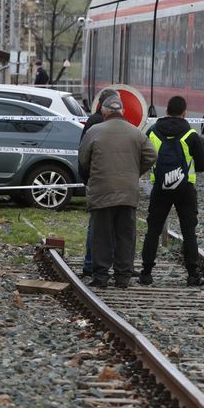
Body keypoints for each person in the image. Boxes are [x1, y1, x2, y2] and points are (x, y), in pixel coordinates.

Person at [78, 95, 156, 288]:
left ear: (104, 111)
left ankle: (101, 277)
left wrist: (95, 172)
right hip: (128, 192)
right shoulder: (135, 133)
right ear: (122, 111)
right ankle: (122, 278)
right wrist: (134, 172)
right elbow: (151, 155)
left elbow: (83, 159)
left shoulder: (94, 131)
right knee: (125, 237)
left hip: (102, 191)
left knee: (101, 236)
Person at [139, 95, 204, 288]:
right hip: (185, 189)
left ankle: (146, 273)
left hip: (160, 188)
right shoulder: (191, 135)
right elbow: (202, 166)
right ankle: (193, 275)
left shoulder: (152, 132)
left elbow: (143, 159)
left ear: (166, 111)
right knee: (189, 232)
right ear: (184, 112)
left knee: (153, 230)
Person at [79, 88, 119, 277]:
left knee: (97, 223)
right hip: (106, 181)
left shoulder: (92, 122)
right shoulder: (100, 123)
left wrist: (87, 179)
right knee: (103, 225)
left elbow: (83, 154)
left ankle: (92, 263)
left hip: (97, 181)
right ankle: (95, 263)